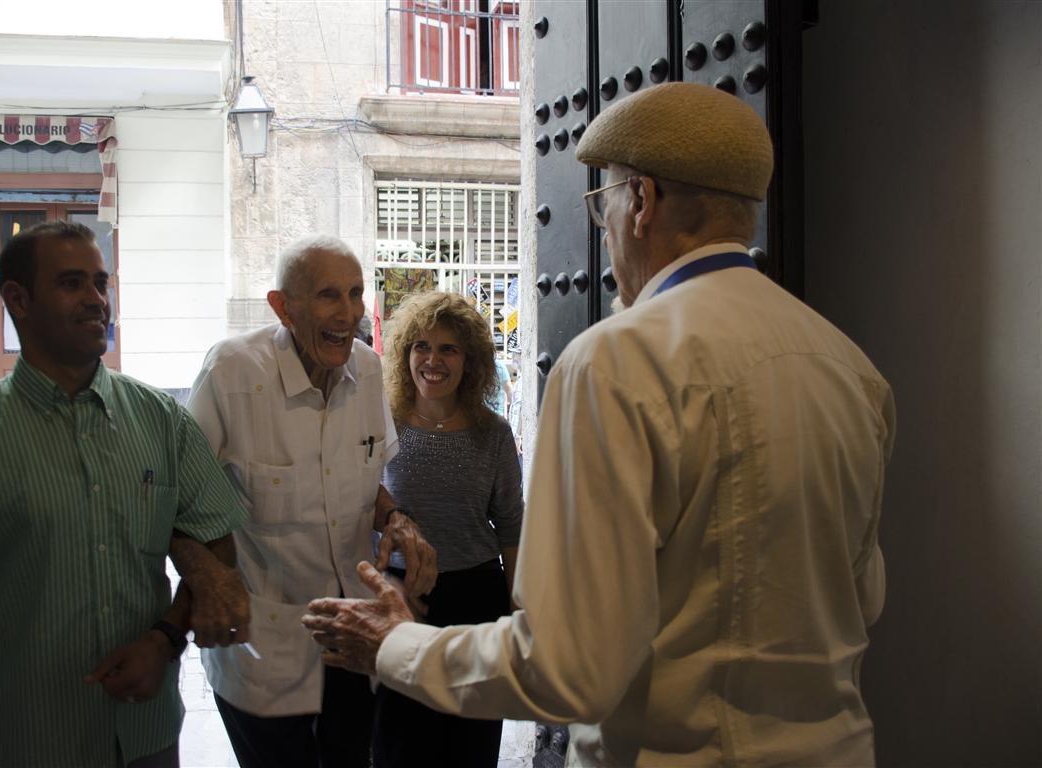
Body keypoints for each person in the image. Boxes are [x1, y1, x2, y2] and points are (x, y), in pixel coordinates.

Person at [304, 82, 896, 766]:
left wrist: (395, 643)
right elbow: (861, 597)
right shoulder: (848, 366)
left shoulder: (618, 359)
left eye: (601, 204)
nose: (603, 229)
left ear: (639, 203)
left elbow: (570, 666)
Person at [0, 220, 251, 768]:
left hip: (147, 731)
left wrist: (164, 640)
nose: (97, 300)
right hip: (31, 734)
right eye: (73, 283)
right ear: (19, 299)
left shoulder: (162, 421)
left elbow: (216, 548)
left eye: (101, 283)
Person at [186, 235, 437, 768]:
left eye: (354, 293)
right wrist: (208, 581)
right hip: (264, 640)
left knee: (350, 760)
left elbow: (368, 485)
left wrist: (396, 520)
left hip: (352, 632)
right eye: (328, 296)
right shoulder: (231, 373)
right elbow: (182, 498)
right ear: (283, 307)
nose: (347, 313)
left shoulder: (367, 371)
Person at [372, 291, 522, 768]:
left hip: (476, 598)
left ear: (470, 361)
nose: (432, 360)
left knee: (470, 743)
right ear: (404, 355)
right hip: (402, 596)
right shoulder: (383, 424)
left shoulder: (493, 433)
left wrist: (520, 612)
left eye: (448, 349)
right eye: (421, 346)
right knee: (397, 742)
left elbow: (511, 526)